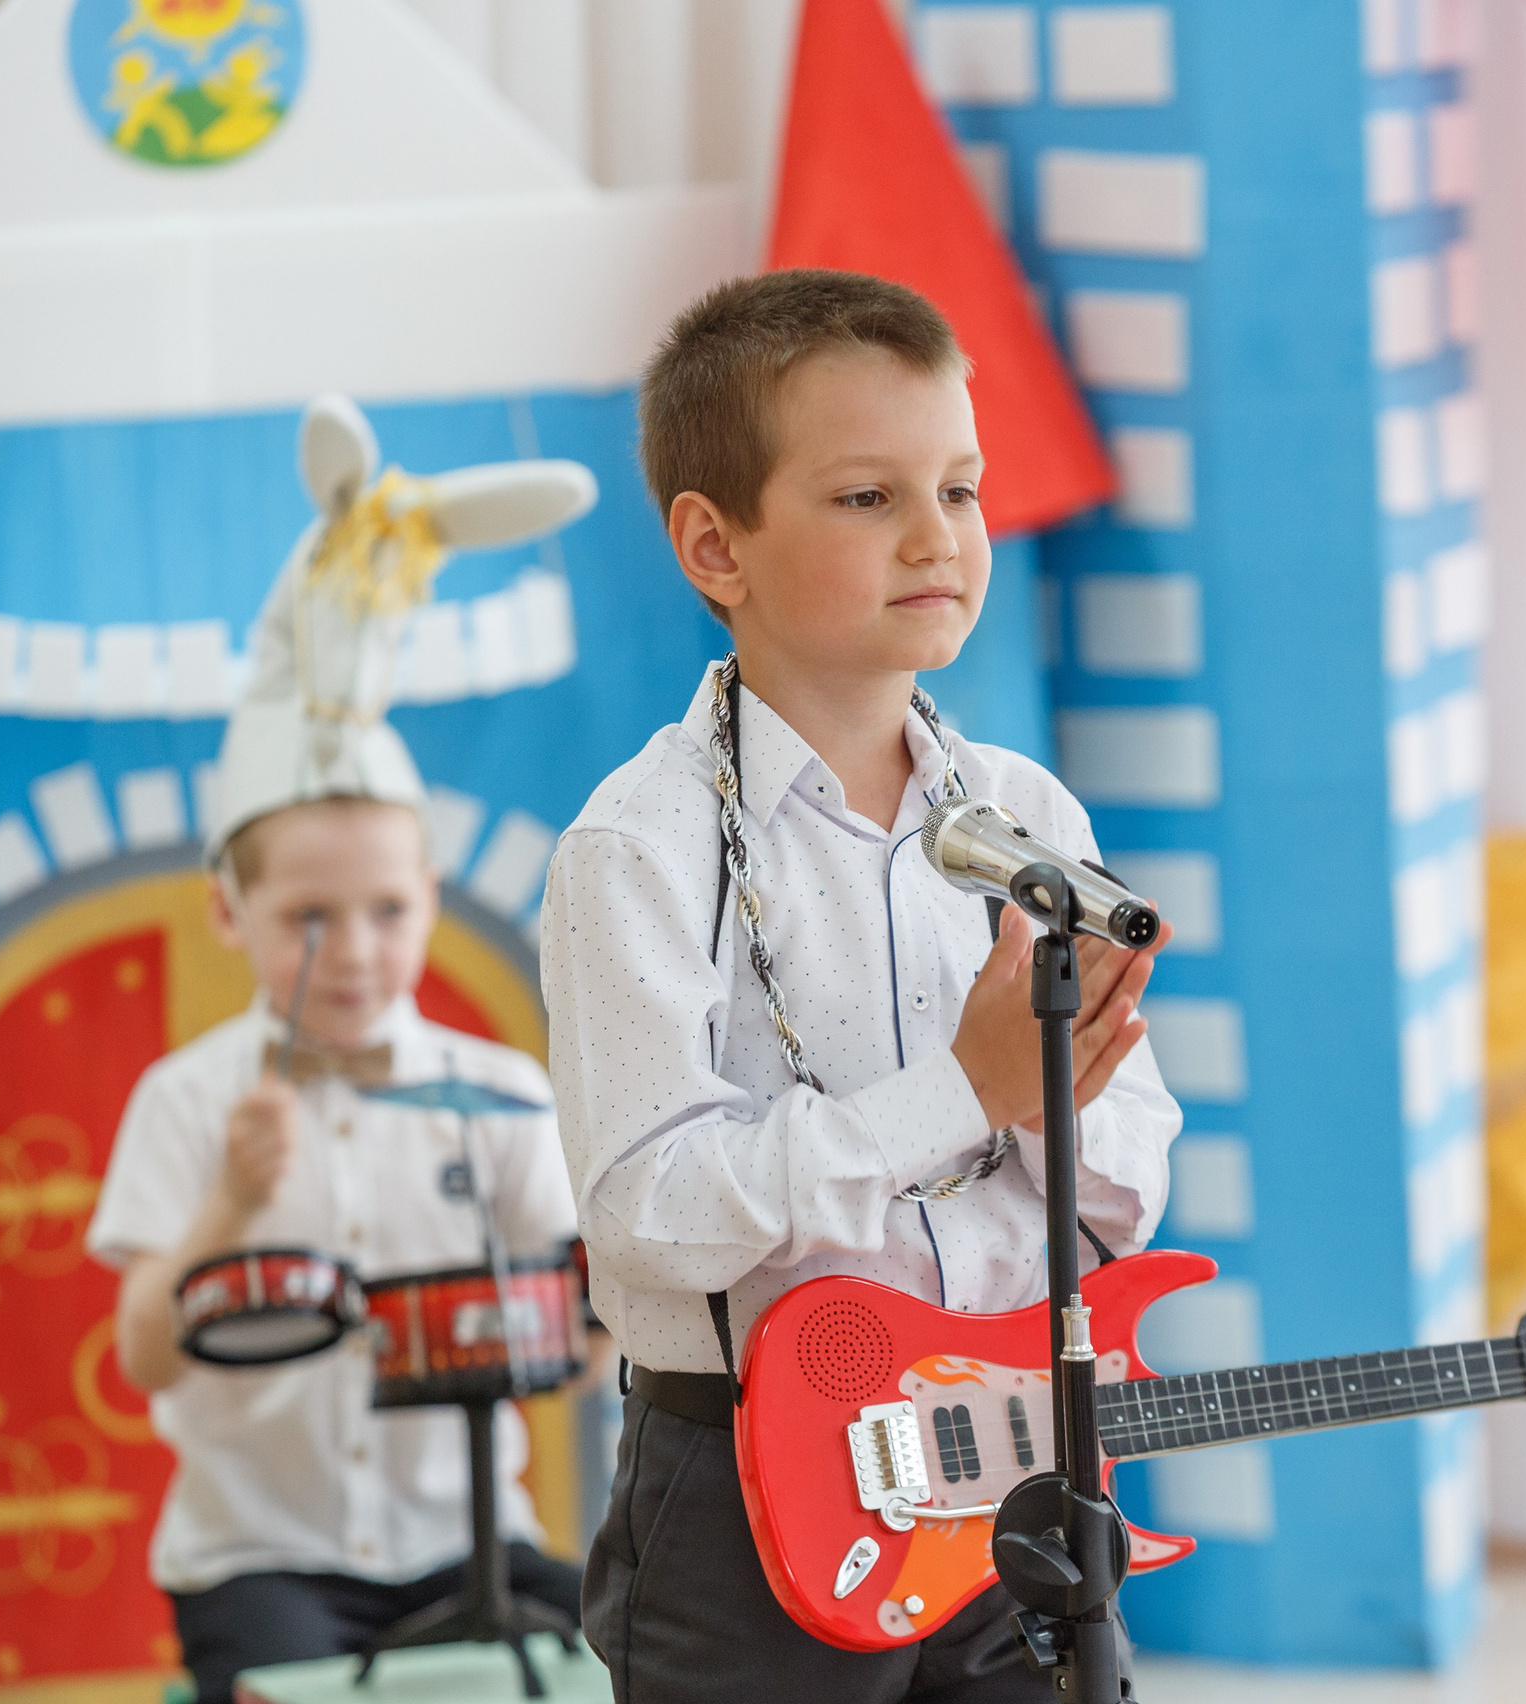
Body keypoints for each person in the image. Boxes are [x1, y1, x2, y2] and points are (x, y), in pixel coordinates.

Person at [543, 270, 1183, 1703]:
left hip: (1010, 1465)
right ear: (717, 547)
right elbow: (649, 1215)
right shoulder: (633, 852)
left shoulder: (1028, 819)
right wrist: (963, 1097)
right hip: (746, 1495)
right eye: (865, 498)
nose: (937, 537)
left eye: (958, 489)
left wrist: (1044, 1116)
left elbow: (1129, 1162)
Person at [86, 397, 599, 1704]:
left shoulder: (498, 1096)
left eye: (387, 910)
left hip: (471, 1544)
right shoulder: (189, 1100)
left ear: (430, 893)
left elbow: (591, 1331)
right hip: (263, 1565)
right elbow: (143, 1352)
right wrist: (231, 1206)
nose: (358, 950)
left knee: (634, 1663)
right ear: (228, 911)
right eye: (309, 918)